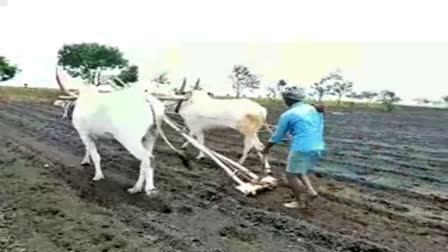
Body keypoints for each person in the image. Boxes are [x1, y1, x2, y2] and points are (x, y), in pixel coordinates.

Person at [262, 87, 326, 208]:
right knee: (300, 170)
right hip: (318, 146)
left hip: (301, 148)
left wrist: (266, 148)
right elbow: (315, 126)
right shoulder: (314, 109)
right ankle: (311, 192)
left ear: (287, 100)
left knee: (290, 175)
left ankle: (300, 202)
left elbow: (277, 136)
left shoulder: (288, 114)